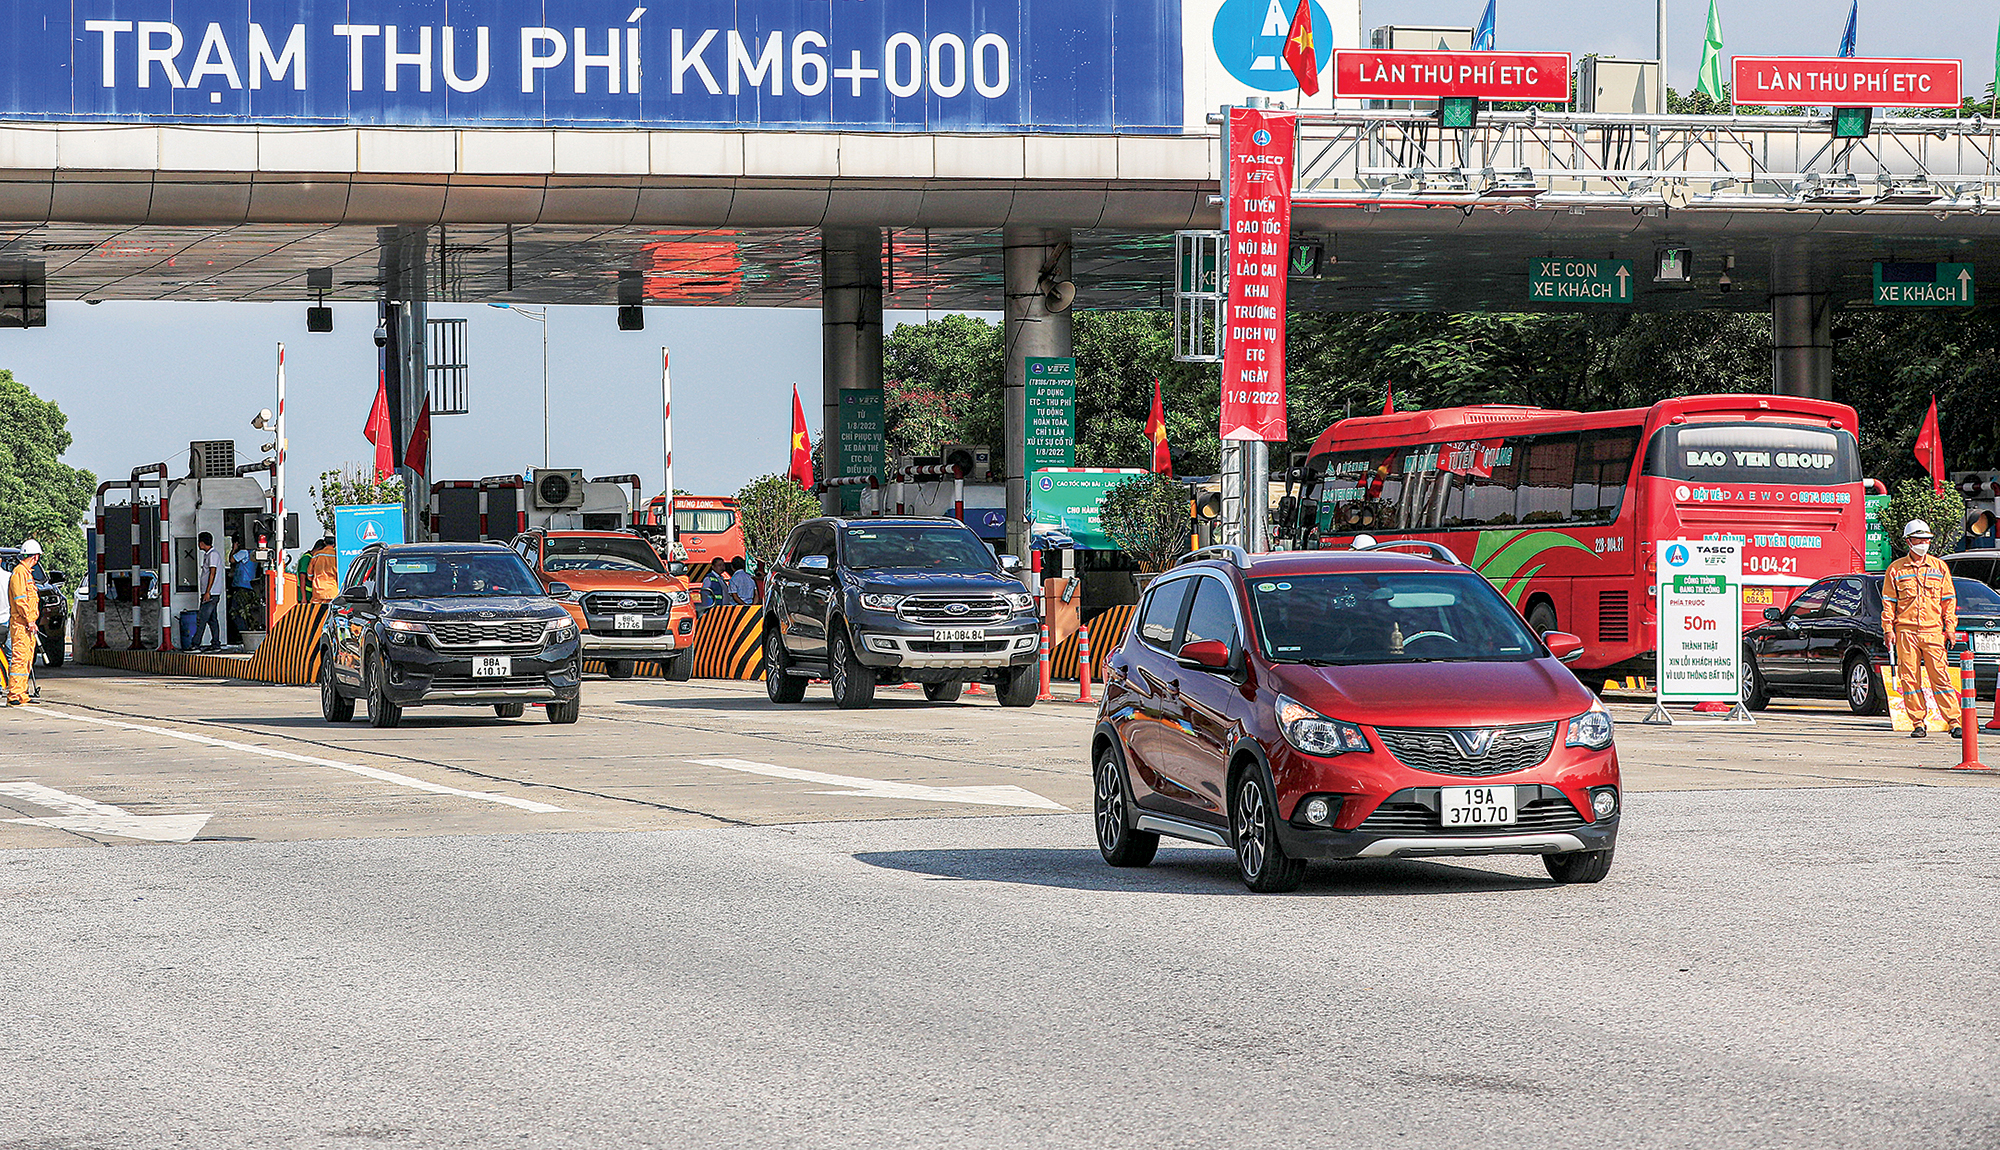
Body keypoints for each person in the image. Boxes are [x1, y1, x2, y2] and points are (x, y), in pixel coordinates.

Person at [1882, 519, 1959, 739]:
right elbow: (1889, 603)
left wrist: (1950, 628)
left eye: (1927, 539)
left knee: (1941, 676)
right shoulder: (1895, 569)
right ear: (1909, 541)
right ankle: (1918, 722)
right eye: (1920, 539)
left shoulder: (1939, 567)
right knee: (1909, 678)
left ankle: (1953, 721)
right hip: (1905, 631)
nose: (1924, 543)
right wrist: (1888, 629)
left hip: (1933, 631)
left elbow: (1948, 601)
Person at [8, 539, 41, 705]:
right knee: (20, 658)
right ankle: (14, 694)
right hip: (21, 623)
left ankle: (21, 693)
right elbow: (20, 600)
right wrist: (29, 620)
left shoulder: (26, 573)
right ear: (35, 557)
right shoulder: (20, 573)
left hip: (27, 624)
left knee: (27, 659)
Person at [193, 531, 225, 651]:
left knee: (202, 618)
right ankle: (216, 644)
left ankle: (195, 643)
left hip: (211, 593)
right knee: (212, 620)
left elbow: (212, 572)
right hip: (211, 592)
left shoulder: (213, 555)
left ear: (201, 543)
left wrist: (208, 592)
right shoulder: (209, 554)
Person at [308, 538, 340, 604]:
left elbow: (310, 575)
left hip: (318, 592)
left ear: (324, 542)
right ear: (334, 544)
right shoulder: (337, 555)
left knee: (316, 613)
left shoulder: (317, 555)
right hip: (332, 591)